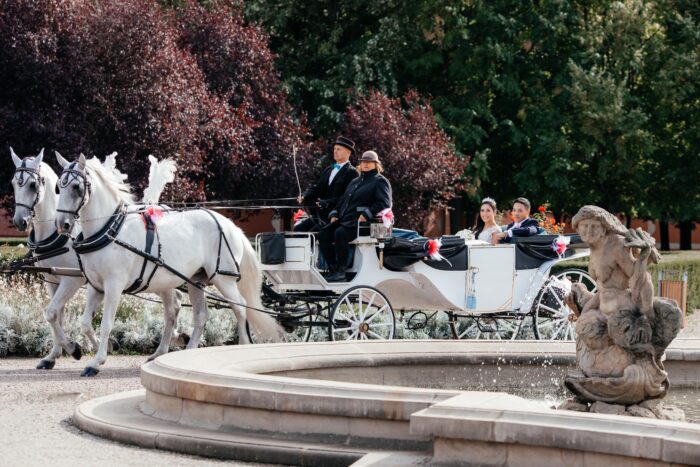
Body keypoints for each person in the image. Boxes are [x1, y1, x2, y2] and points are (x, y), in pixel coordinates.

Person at [319, 150, 392, 281]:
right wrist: (335, 212)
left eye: (369, 162)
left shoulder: (380, 181)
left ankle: (342, 271)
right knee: (323, 234)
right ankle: (333, 268)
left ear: (376, 164)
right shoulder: (355, 181)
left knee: (340, 234)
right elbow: (343, 200)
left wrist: (367, 213)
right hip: (346, 220)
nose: (366, 164)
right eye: (364, 161)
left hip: (364, 224)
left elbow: (384, 203)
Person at [294, 136, 359, 232]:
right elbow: (317, 187)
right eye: (334, 149)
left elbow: (347, 197)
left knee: (313, 233)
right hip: (320, 215)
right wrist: (304, 195)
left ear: (348, 152)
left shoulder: (352, 172)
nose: (335, 151)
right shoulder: (328, 169)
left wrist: (328, 202)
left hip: (336, 215)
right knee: (298, 229)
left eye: (339, 149)